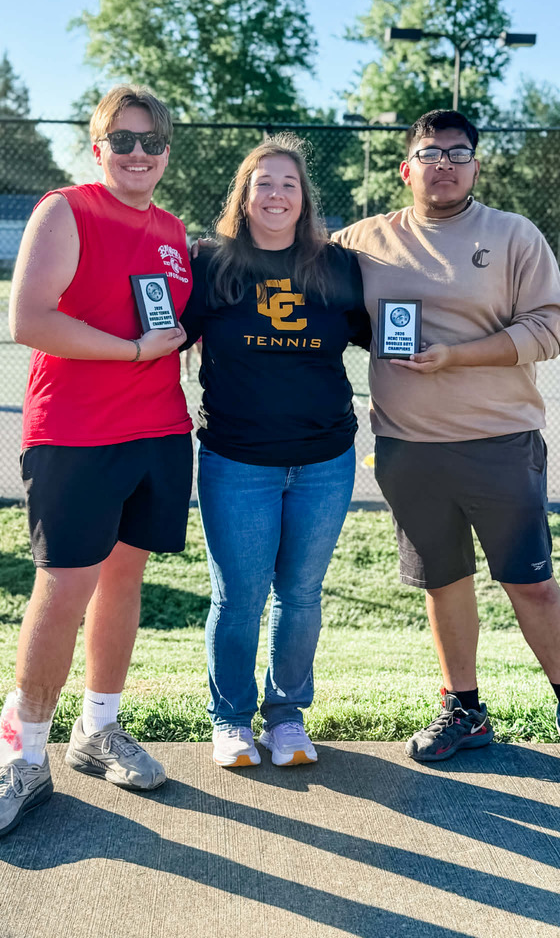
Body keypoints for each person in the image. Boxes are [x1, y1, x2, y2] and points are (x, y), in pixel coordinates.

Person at [334, 109, 560, 794]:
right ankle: (464, 710)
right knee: (444, 581)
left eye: (458, 153)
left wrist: (456, 357)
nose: (444, 164)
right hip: (407, 447)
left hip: (499, 443)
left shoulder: (513, 235)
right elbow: (292, 271)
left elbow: (552, 327)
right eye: (430, 152)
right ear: (406, 167)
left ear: (476, 166)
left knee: (530, 583)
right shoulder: (361, 242)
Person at [0, 85, 192, 839]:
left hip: (156, 429)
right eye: (121, 141)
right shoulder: (66, 209)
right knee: (63, 589)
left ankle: (97, 731)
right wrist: (130, 350)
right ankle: (25, 757)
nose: (136, 154)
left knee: (124, 581)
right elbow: (30, 319)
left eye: (150, 142)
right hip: (75, 434)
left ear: (166, 153)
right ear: (98, 148)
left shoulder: (172, 229)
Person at [180, 135, 370, 769]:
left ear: (303, 198)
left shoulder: (338, 266)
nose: (277, 194)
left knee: (302, 594)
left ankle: (286, 718)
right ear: (245, 193)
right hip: (237, 461)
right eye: (264, 183)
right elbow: (165, 333)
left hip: (323, 460)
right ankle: (230, 719)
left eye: (289, 184)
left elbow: (388, 336)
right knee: (238, 597)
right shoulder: (209, 264)